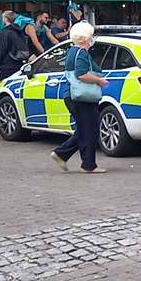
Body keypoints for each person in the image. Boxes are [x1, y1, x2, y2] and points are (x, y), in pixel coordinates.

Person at [51, 20, 107, 173]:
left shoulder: (72, 51)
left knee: (85, 129)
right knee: (89, 130)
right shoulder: (81, 53)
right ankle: (88, 164)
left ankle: (62, 154)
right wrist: (99, 80)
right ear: (86, 37)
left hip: (74, 96)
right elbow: (81, 74)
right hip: (81, 97)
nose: (93, 38)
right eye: (91, 35)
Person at [0, 11, 29, 80]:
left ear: (6, 19)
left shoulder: (5, 32)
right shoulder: (19, 30)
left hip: (7, 65)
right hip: (19, 64)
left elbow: (2, 50)